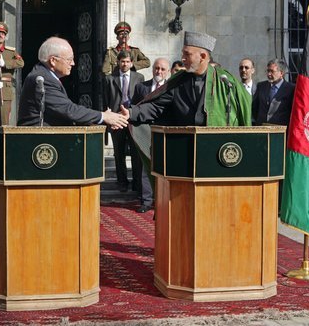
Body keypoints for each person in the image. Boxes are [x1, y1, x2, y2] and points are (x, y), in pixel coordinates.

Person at [120, 31, 252, 127]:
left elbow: (243, 112)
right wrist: (130, 113)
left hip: (217, 149)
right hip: (184, 146)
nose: (182, 58)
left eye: (187, 54)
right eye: (182, 53)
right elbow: (155, 107)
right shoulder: (178, 81)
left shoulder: (225, 81)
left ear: (203, 56)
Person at [18, 36, 128, 129]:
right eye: (69, 59)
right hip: (39, 141)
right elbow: (68, 110)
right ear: (53, 60)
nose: (73, 63)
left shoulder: (47, 75)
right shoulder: (42, 79)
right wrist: (103, 116)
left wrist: (105, 118)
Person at [131, 57, 171, 213]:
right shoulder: (141, 87)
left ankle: (162, 198)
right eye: (156, 68)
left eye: (162, 69)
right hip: (145, 131)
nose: (158, 71)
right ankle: (146, 201)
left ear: (168, 72)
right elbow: (135, 106)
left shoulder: (170, 88)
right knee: (145, 166)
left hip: (163, 131)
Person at [104, 50, 145, 193]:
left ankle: (137, 183)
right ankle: (122, 182)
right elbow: (106, 98)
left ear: (132, 63)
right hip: (116, 120)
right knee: (119, 152)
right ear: (118, 62)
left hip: (133, 121)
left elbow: (141, 99)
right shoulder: (110, 79)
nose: (125, 64)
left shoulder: (139, 77)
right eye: (122, 61)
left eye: (127, 61)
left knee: (136, 153)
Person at [252, 59, 295, 126]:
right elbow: (255, 108)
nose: (269, 74)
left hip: (280, 131)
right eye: (268, 71)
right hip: (261, 129)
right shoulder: (261, 86)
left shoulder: (291, 89)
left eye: (272, 71)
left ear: (281, 73)